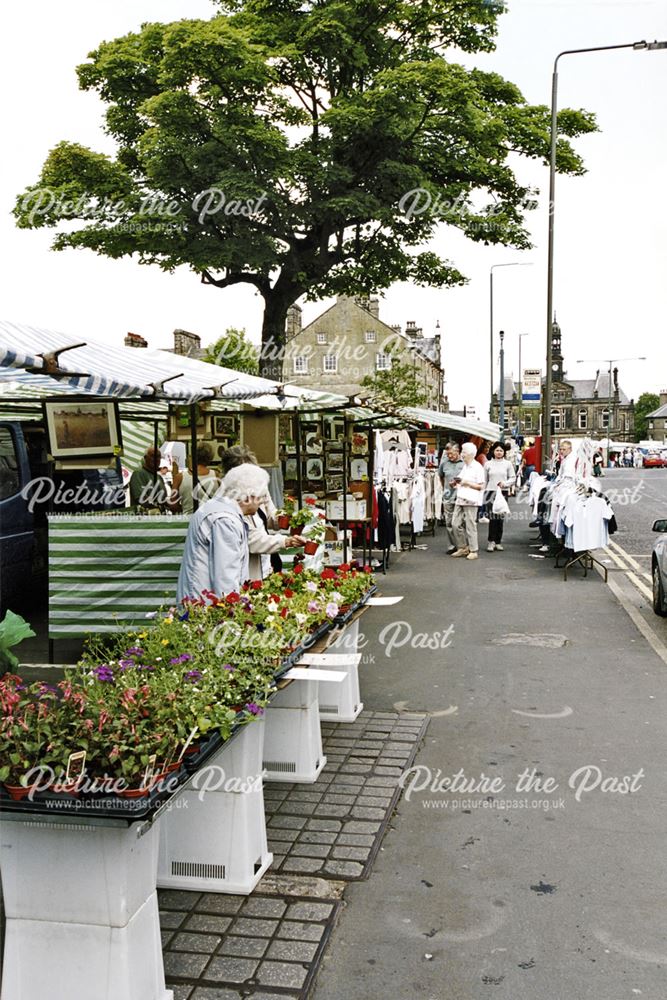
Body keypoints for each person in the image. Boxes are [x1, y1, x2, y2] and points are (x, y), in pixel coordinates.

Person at [177, 463, 270, 601]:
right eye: (260, 497)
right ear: (246, 498)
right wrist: (233, 611)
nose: (262, 501)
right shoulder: (226, 520)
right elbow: (226, 576)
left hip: (201, 599)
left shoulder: (220, 508)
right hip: (206, 604)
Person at [219, 444, 308, 579]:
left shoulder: (258, 487)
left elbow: (270, 514)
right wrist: (286, 541)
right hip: (248, 568)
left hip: (267, 563)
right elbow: (252, 540)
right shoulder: (229, 501)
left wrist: (286, 519)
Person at [451, 442, 485, 560]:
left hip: (471, 499)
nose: (462, 454)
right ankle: (462, 547)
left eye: (464, 452)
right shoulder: (464, 466)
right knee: (455, 523)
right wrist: (455, 483)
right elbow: (461, 481)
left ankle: (473, 549)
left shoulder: (478, 467)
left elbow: (481, 486)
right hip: (461, 497)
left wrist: (467, 483)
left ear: (471, 454)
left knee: (470, 525)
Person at [484, 442, 514, 552]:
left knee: (500, 517)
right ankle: (491, 541)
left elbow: (513, 478)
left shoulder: (508, 464)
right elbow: (484, 479)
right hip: (490, 491)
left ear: (504, 452)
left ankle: (498, 541)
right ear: (493, 451)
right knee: (492, 517)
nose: (499, 452)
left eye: (501, 450)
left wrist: (505, 483)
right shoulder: (488, 464)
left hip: (503, 492)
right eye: (497, 450)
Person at [173, 442, 220, 514]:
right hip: (211, 520)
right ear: (210, 457)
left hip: (188, 520)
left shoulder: (179, 477)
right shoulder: (216, 476)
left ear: (193, 456)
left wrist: (184, 508)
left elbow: (173, 505)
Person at [437, 441, 463, 555]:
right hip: (448, 496)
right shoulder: (444, 463)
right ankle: (453, 546)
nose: (450, 456)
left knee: (459, 523)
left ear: (458, 451)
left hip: (461, 496)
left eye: (452, 454)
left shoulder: (464, 463)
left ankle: (462, 545)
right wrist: (445, 488)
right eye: (448, 454)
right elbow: (441, 477)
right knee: (449, 522)